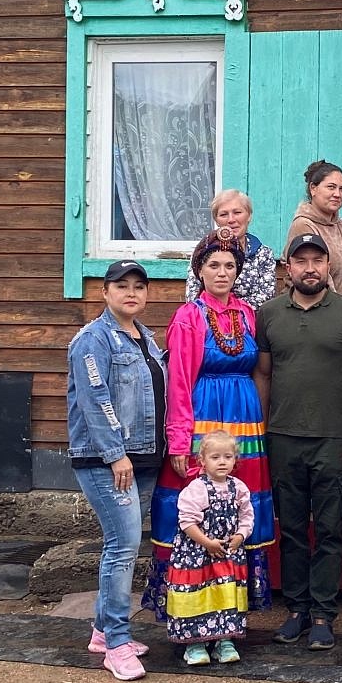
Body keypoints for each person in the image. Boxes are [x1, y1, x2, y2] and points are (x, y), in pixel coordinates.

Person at [143, 231, 273, 620]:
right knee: (198, 504)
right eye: (213, 265)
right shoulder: (188, 317)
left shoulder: (248, 314)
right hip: (202, 416)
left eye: (229, 266)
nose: (222, 272)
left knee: (238, 503)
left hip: (245, 422)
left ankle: (230, 603)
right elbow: (179, 380)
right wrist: (180, 441)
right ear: (199, 270)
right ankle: (190, 603)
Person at [255, 232, 342, 649]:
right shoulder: (268, 315)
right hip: (283, 437)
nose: (309, 268)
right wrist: (261, 431)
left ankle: (323, 614)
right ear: (288, 268)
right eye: (300, 261)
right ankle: (297, 609)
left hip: (333, 438)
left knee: (329, 528)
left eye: (316, 261)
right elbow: (264, 375)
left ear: (327, 266)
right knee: (292, 530)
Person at [66, 260, 165, 682]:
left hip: (144, 457)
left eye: (139, 287)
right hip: (108, 460)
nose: (131, 293)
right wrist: (114, 454)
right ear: (104, 292)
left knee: (123, 544)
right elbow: (95, 399)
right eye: (121, 286)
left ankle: (103, 631)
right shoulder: (93, 340)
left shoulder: (145, 338)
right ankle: (119, 643)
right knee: (122, 547)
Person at [162, 431, 256, 667]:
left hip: (226, 554)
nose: (222, 462)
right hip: (197, 555)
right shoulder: (196, 489)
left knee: (224, 595)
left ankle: (224, 640)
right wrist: (206, 542)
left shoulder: (239, 488)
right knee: (198, 596)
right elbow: (186, 522)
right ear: (202, 461)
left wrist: (240, 536)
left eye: (228, 456)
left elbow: (247, 516)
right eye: (215, 457)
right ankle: (194, 643)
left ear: (235, 459)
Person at [184, 189, 279, 306]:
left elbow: (267, 296)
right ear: (216, 220)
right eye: (224, 214)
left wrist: (231, 310)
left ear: (249, 216)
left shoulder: (263, 253)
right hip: (208, 319)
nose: (231, 220)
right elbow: (193, 296)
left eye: (237, 212)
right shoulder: (203, 251)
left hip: (251, 321)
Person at [287, 162, 342, 300]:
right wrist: (341, 312)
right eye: (331, 187)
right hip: (319, 312)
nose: (337, 194)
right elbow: (317, 279)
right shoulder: (304, 225)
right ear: (313, 189)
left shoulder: (339, 225)